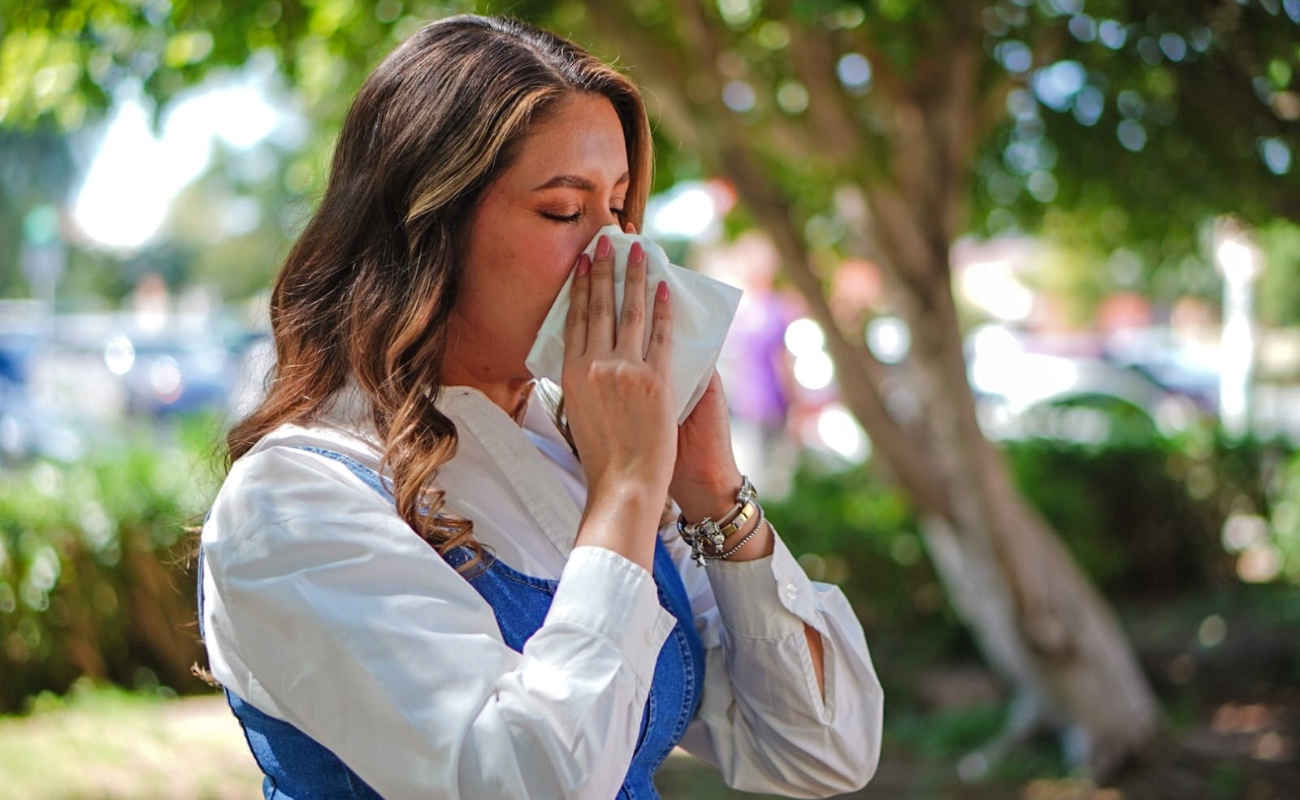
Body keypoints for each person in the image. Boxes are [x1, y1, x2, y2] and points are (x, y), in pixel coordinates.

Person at [198, 14, 882, 800]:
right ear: (428, 228)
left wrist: (712, 492)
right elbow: (521, 779)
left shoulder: (568, 442)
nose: (618, 255)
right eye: (564, 212)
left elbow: (819, 750)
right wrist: (625, 490)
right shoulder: (294, 502)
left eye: (621, 211)